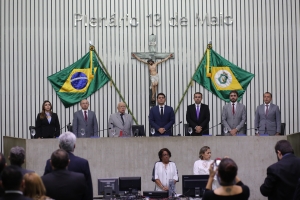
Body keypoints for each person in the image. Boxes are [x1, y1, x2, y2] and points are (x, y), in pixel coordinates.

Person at [43, 132, 93, 200]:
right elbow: (88, 192)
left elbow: (44, 188)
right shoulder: (83, 163)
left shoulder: (50, 162)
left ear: (59, 146)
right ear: (74, 146)